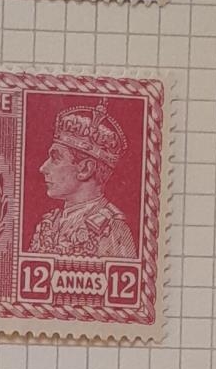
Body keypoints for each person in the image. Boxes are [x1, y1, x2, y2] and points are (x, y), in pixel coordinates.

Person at [28, 101, 137, 261]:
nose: (43, 168)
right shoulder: (48, 223)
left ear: (85, 169)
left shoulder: (113, 228)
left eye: (55, 158)